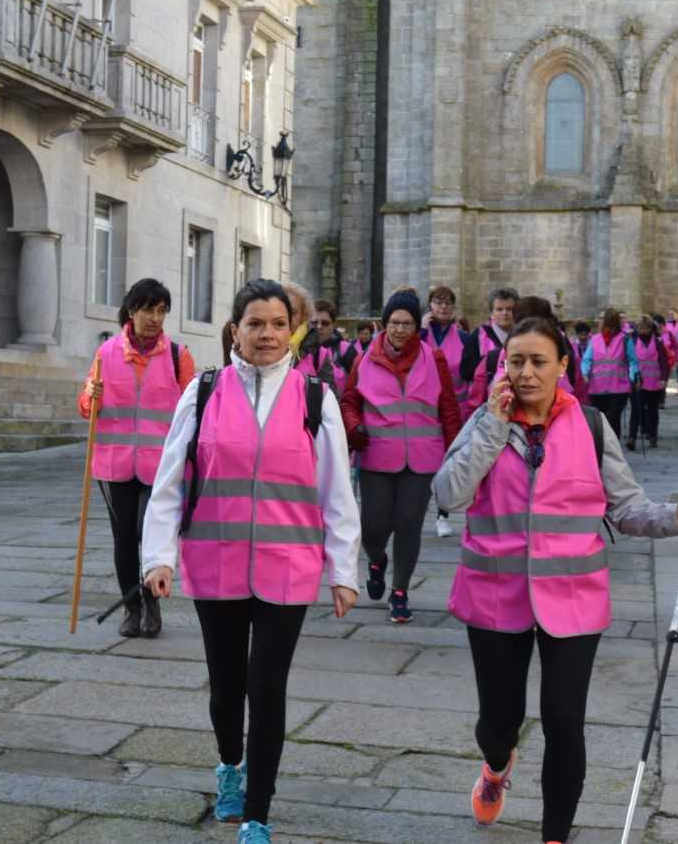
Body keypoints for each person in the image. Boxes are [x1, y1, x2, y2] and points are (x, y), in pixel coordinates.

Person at [432, 316, 678, 844]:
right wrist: (493, 428)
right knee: (499, 723)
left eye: (539, 361)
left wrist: (675, 519)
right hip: (495, 595)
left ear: (564, 365)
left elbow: (626, 507)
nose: (526, 372)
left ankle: (555, 835)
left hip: (574, 599)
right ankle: (496, 767)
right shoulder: (484, 421)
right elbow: (448, 494)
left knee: (564, 723)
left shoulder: (589, 425)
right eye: (516, 361)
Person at [139, 279, 360, 844]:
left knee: (267, 688)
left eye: (278, 324)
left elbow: (336, 492)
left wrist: (344, 571)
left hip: (288, 565)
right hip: (216, 563)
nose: (267, 334)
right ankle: (229, 766)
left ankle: (258, 813)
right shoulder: (204, 392)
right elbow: (169, 483)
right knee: (225, 685)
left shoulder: (315, 398)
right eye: (255, 324)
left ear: (294, 330)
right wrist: (158, 558)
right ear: (235, 330)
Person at [79, 279, 195, 639]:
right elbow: (86, 407)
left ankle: (151, 602)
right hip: (114, 465)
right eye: (148, 310)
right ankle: (132, 609)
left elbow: (194, 408)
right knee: (124, 538)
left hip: (160, 468)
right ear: (132, 311)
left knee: (150, 532)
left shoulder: (178, 356)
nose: (155, 318)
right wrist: (91, 397)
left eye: (162, 311)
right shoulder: (106, 354)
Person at [341, 290, 462, 623]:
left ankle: (400, 591)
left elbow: (448, 408)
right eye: (394, 323)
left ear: (416, 326)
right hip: (377, 456)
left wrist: (455, 453)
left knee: (409, 522)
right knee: (372, 527)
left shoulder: (433, 358)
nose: (400, 329)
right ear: (384, 324)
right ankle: (377, 560)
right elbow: (349, 401)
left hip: (423, 459)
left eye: (407, 323)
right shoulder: (363, 359)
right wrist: (354, 428)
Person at [422, 285, 468, 538]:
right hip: (425, 409)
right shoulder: (420, 334)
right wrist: (420, 329)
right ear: (430, 306)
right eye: (438, 302)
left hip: (453, 409)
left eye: (448, 303)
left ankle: (442, 515)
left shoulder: (462, 338)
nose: (443, 307)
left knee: (447, 463)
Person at [581, 308, 637, 439]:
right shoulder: (594, 340)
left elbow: (633, 361)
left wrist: (634, 376)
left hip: (619, 388)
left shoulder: (624, 339)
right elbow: (587, 359)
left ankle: (613, 449)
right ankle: (601, 448)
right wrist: (585, 372)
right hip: (597, 389)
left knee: (613, 418)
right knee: (599, 421)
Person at [460, 287, 519, 386]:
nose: (504, 313)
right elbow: (465, 372)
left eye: (509, 309)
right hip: (486, 397)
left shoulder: (522, 335)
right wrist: (492, 360)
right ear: (491, 313)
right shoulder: (478, 336)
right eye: (499, 309)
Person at [284, 284, 339, 389]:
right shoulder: (262, 345)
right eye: (281, 310)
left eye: (292, 312)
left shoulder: (318, 355)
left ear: (303, 316)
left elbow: (327, 397)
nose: (286, 317)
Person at [628, 315, 669, 448]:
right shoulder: (633, 341)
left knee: (652, 410)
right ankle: (632, 437)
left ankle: (653, 435)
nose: (642, 330)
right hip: (637, 381)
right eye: (640, 328)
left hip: (654, 382)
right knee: (636, 410)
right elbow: (629, 361)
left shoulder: (657, 342)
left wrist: (663, 378)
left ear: (651, 329)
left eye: (645, 328)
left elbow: (664, 362)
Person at [312, 299, 347, 392]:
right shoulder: (300, 351)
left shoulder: (346, 350)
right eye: (314, 323)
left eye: (325, 323)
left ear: (334, 325)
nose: (319, 327)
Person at [652, 313, 678, 409]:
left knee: (663, 381)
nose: (657, 326)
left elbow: (675, 346)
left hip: (666, 361)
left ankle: (661, 401)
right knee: (655, 381)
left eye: (658, 323)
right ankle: (656, 399)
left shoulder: (668, 334)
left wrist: (675, 355)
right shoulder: (651, 334)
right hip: (654, 361)